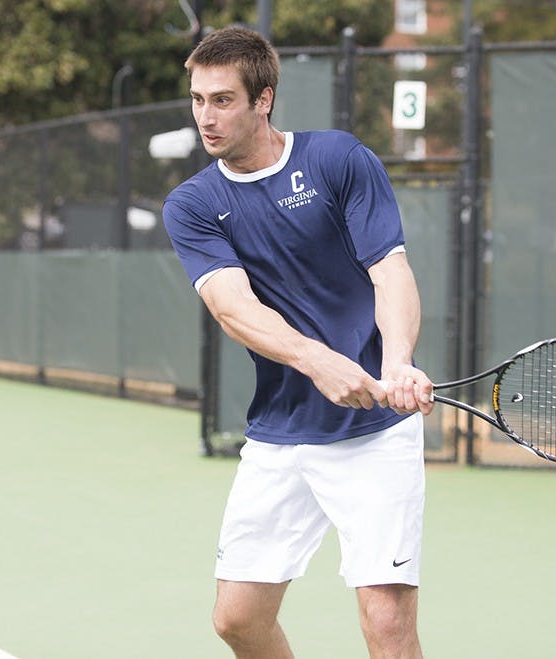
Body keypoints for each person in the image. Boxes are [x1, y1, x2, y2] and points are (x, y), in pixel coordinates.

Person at [162, 27, 435, 659]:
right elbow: (235, 309)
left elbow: (389, 269)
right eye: (198, 99)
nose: (206, 115)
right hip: (283, 430)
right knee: (237, 619)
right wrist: (319, 362)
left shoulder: (339, 160)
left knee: (387, 624)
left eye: (223, 99)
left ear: (264, 99)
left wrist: (396, 362)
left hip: (376, 434)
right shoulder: (194, 203)